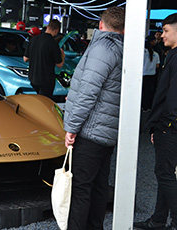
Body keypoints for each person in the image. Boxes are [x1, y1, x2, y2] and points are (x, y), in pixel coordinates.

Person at [63, 6, 125, 229]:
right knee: (98, 187)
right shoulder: (122, 49)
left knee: (81, 188)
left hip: (91, 130)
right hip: (107, 131)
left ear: (100, 24)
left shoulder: (102, 49)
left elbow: (87, 92)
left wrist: (72, 127)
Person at [135, 13, 177, 230]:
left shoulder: (175, 57)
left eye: (166, 30)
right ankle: (159, 220)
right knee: (165, 173)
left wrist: (164, 125)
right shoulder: (172, 55)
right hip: (168, 125)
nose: (161, 35)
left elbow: (171, 96)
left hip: (170, 127)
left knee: (164, 173)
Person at [23, 19, 65, 99]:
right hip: (46, 80)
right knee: (44, 103)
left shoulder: (33, 40)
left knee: (37, 100)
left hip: (33, 78)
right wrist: (62, 55)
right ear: (56, 30)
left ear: (47, 27)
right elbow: (59, 64)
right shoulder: (53, 43)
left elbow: (25, 59)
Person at [141, 36, 160, 112]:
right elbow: (157, 65)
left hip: (143, 74)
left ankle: (141, 106)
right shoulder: (156, 54)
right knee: (149, 91)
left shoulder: (142, 53)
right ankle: (147, 107)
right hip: (151, 75)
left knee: (142, 91)